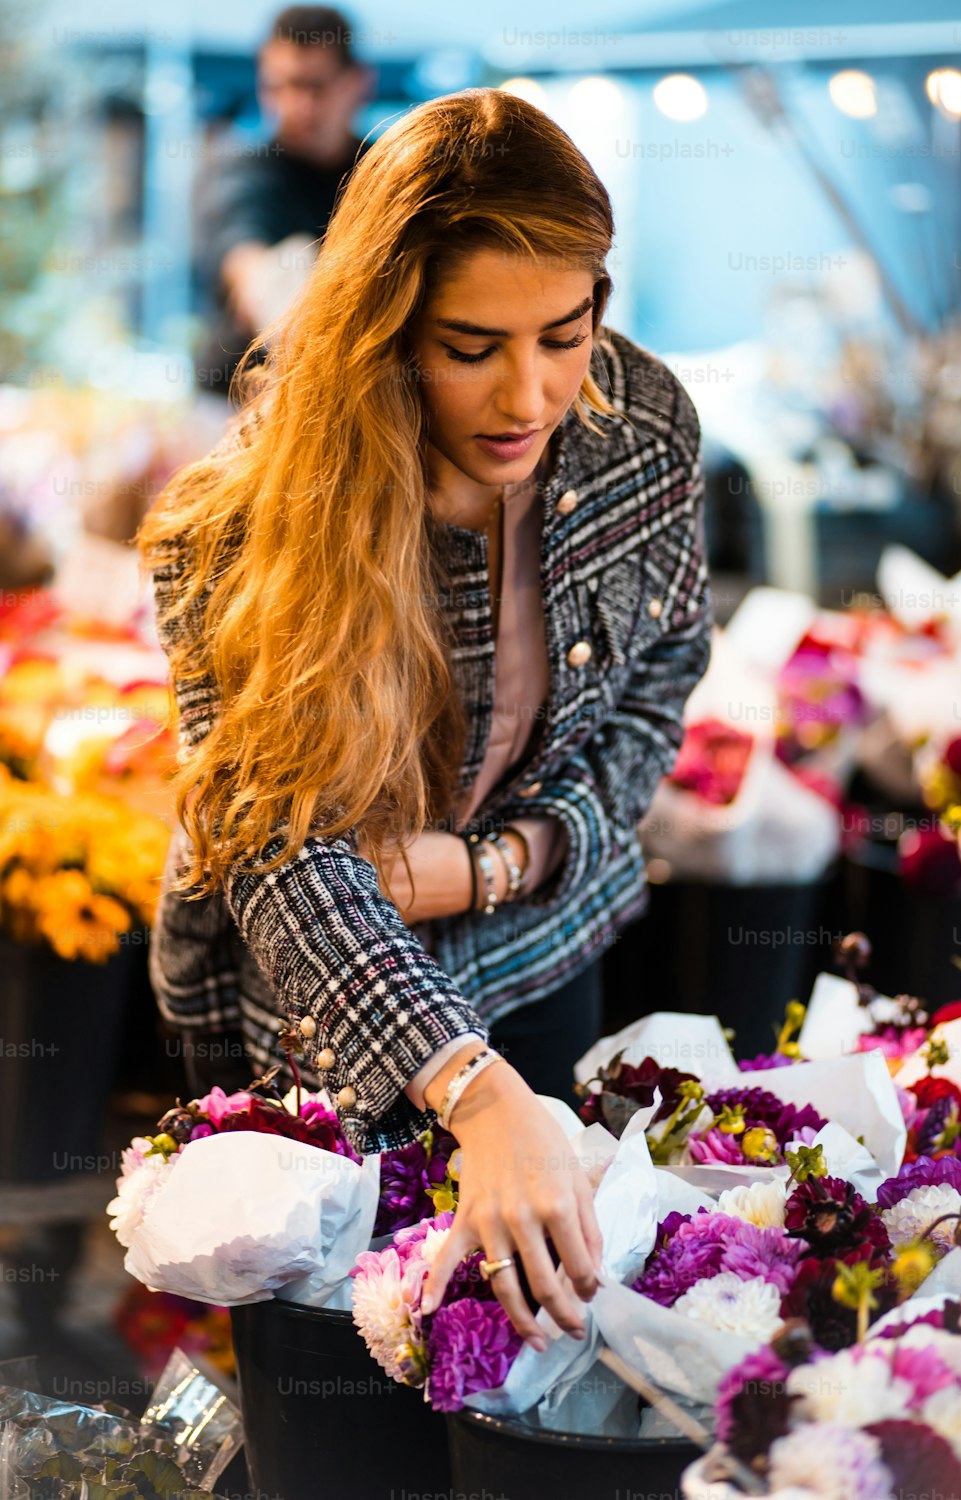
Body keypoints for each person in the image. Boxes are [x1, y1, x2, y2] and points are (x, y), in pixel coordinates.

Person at [138, 88, 711, 1350]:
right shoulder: (238, 529)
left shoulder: (644, 428)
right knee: (341, 1373)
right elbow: (273, 850)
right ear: (383, 327)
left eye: (566, 332)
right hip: (316, 1002)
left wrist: (513, 856)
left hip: (543, 944)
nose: (532, 393)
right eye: (470, 347)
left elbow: (666, 666)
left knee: (525, 1343)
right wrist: (466, 1084)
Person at [192, 4, 373, 395]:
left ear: (358, 83)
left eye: (313, 86)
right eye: (278, 87)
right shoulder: (244, 171)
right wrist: (274, 293)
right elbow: (246, 259)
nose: (294, 106)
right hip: (238, 401)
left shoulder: (386, 171)